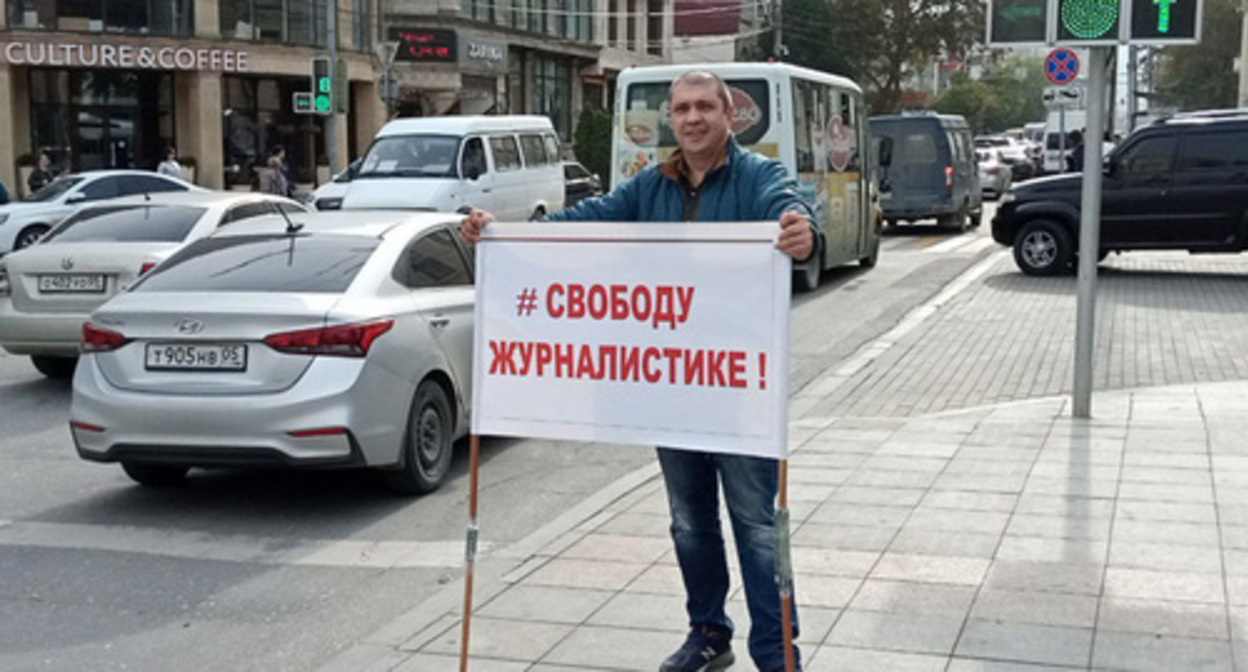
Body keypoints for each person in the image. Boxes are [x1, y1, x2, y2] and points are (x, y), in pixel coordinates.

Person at [461, 70, 814, 672]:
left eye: (706, 106)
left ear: (730, 115)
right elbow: (588, 220)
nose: (693, 117)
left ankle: (777, 653)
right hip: (671, 389)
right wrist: (504, 237)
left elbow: (792, 209)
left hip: (738, 390)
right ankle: (708, 632)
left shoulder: (758, 178)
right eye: (682, 108)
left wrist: (801, 230)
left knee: (756, 524)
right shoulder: (649, 186)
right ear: (672, 119)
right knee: (688, 521)